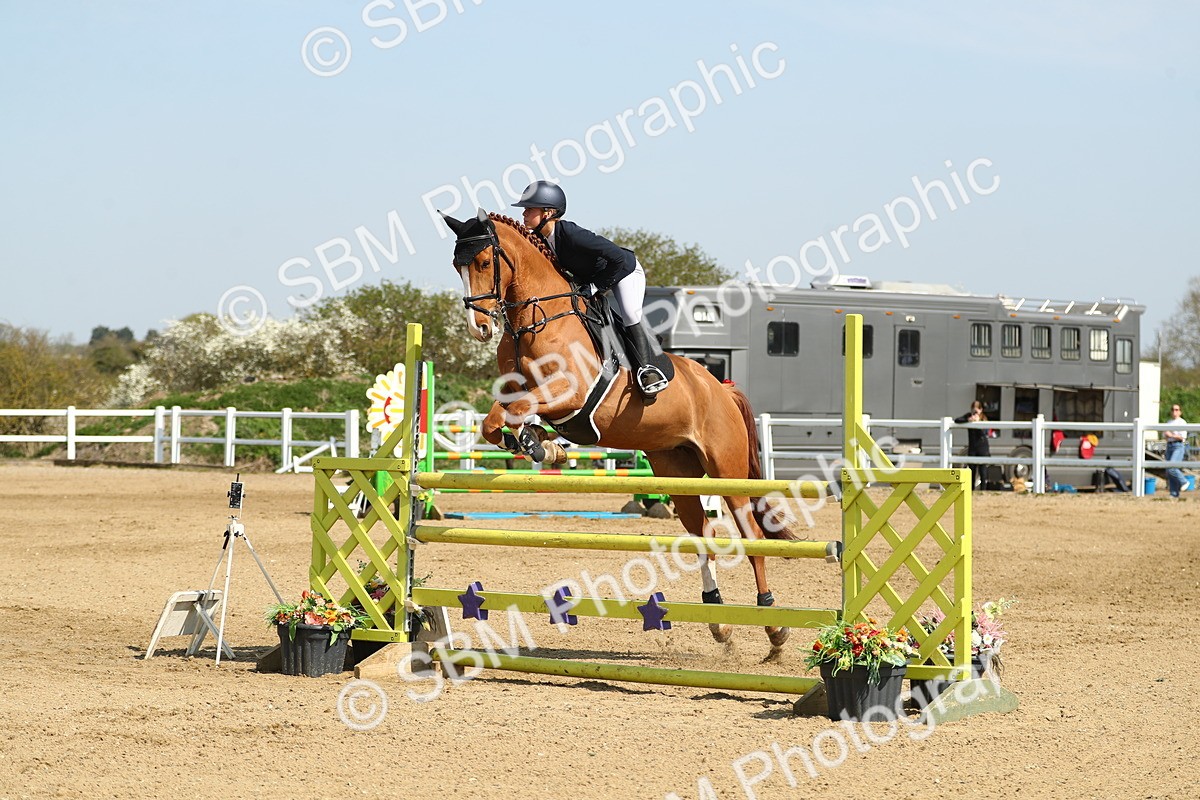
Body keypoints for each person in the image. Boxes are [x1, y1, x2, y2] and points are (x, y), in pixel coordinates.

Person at [512, 181, 669, 398]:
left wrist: (596, 287)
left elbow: (617, 257)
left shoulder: (570, 233)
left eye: (529, 209)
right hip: (593, 278)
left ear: (548, 212)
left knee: (631, 313)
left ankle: (647, 370)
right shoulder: (541, 239)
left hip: (624, 271)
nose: (525, 213)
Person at [955, 400, 991, 490]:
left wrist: (978, 423)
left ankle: (983, 490)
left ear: (981, 409)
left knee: (983, 470)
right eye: (973, 407)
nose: (975, 410)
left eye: (978, 408)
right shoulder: (968, 416)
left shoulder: (984, 418)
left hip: (982, 447)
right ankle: (971, 489)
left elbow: (986, 432)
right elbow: (957, 420)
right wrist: (968, 420)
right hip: (972, 447)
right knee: (972, 470)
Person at [1164, 403, 1189, 498]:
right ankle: (1174, 493)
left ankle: (1184, 481)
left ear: (1180, 412)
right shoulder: (1169, 422)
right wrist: (1171, 436)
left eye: (1177, 409)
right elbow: (1165, 435)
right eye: (1173, 409)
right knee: (1169, 470)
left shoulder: (1182, 422)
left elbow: (1182, 437)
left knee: (1172, 466)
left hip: (1178, 446)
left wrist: (1171, 435)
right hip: (1169, 445)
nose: (1174, 411)